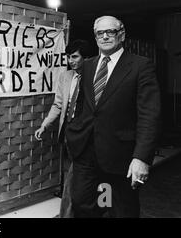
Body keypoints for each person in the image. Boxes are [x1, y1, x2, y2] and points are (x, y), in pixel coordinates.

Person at [66, 16, 161, 218]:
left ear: (122, 35)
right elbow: (83, 105)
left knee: (120, 209)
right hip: (86, 152)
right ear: (95, 37)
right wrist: (73, 132)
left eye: (111, 32)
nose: (105, 36)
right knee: (82, 204)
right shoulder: (88, 65)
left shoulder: (140, 66)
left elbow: (149, 116)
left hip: (120, 156)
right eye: (100, 33)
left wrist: (141, 158)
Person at [34, 39, 89, 218]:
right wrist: (45, 124)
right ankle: (69, 212)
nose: (70, 61)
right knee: (70, 176)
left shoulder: (94, 76)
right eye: (68, 57)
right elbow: (58, 105)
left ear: (85, 58)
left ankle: (69, 213)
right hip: (68, 133)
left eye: (74, 57)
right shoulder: (65, 77)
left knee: (78, 178)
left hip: (87, 135)